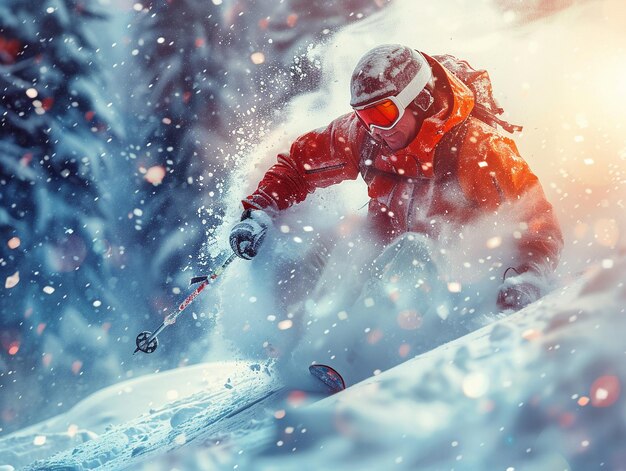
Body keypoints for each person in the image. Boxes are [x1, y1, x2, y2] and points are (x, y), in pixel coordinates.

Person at [229, 44, 563, 311]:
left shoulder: (478, 150)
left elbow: (535, 223)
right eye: (363, 115)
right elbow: (299, 164)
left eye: (382, 114)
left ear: (420, 101)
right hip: (382, 258)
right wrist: (260, 211)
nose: (374, 128)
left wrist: (528, 276)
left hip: (455, 274)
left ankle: (363, 348)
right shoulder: (366, 137)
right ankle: (305, 338)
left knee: (413, 252)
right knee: (334, 245)